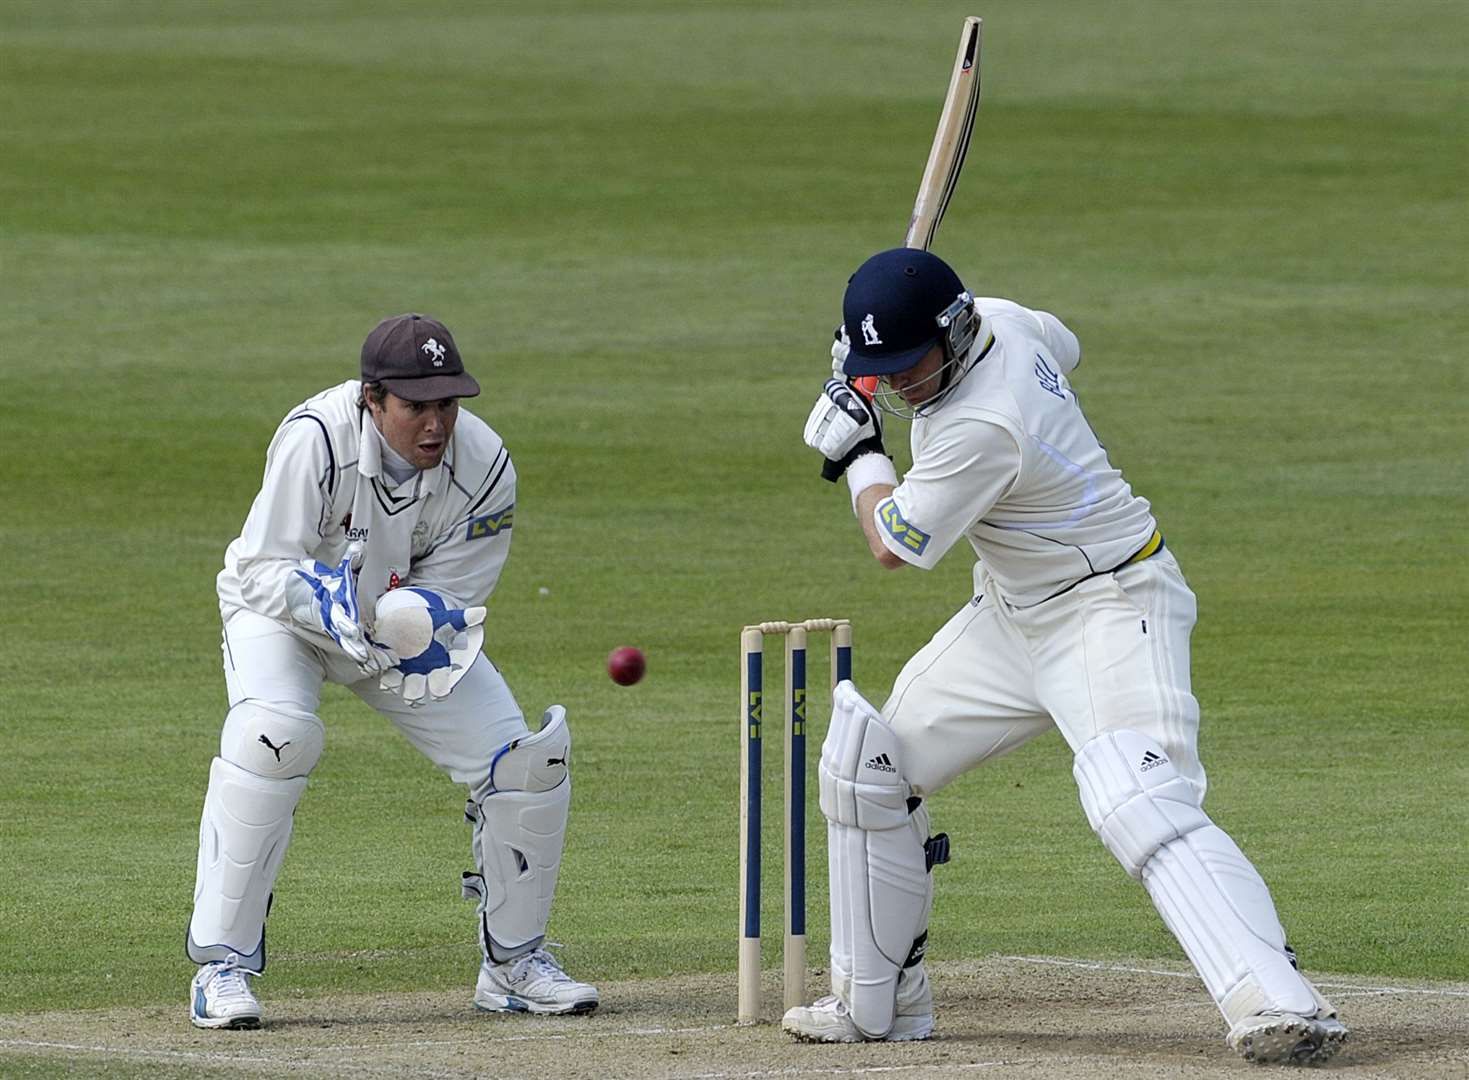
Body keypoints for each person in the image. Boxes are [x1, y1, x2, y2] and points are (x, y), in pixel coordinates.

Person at [790, 249, 1347, 1066]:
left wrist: (860, 454)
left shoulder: (983, 425)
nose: (902, 387)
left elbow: (891, 544)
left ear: (954, 332)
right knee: (870, 767)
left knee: (1134, 794)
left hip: (1108, 608)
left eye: (909, 368)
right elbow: (1067, 341)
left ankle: (1279, 1001)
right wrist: (872, 363)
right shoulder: (1009, 321)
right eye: (887, 370)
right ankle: (878, 1006)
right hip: (1010, 613)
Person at [185, 313, 598, 1028]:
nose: (435, 423)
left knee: (527, 762)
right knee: (272, 737)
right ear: (372, 400)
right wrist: (325, 600)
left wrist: (395, 618)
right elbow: (258, 568)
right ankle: (221, 968)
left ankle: (512, 965)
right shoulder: (316, 438)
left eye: (447, 403)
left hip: (394, 634)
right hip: (282, 619)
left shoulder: (487, 465)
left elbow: (456, 600)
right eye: (415, 406)